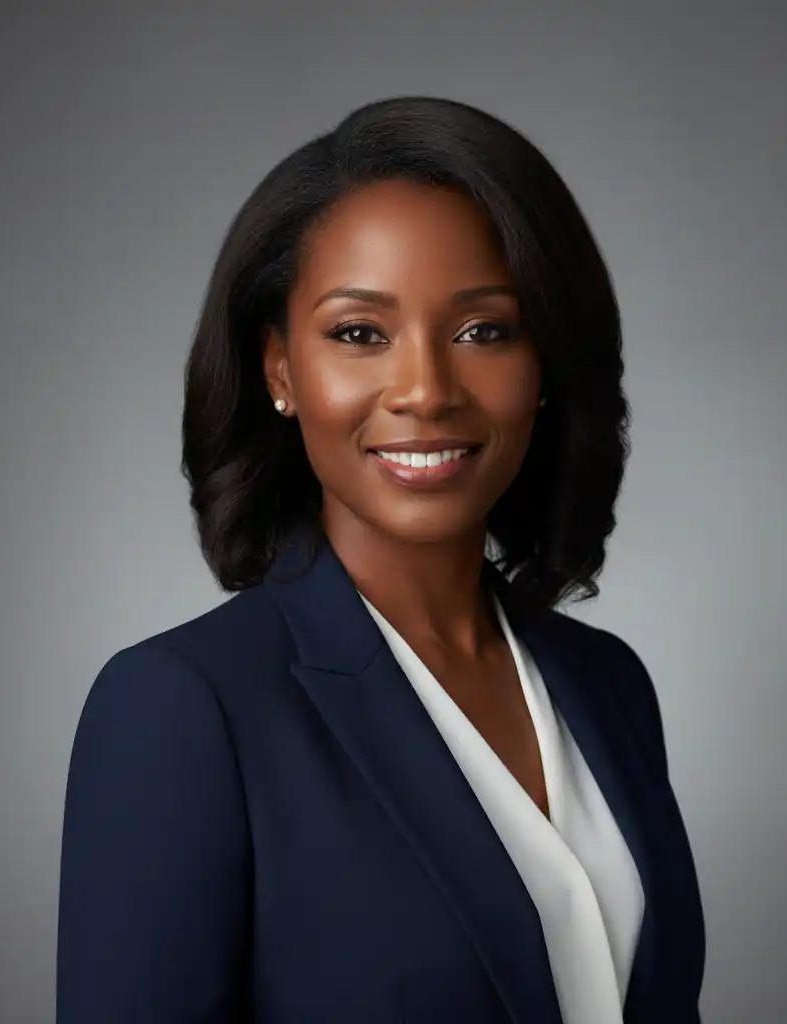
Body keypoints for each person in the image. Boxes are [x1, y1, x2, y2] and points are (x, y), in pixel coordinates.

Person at [56, 96, 705, 1023]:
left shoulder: (607, 686)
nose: (426, 391)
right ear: (280, 369)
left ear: (546, 365)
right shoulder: (182, 708)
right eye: (360, 333)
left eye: (484, 331)